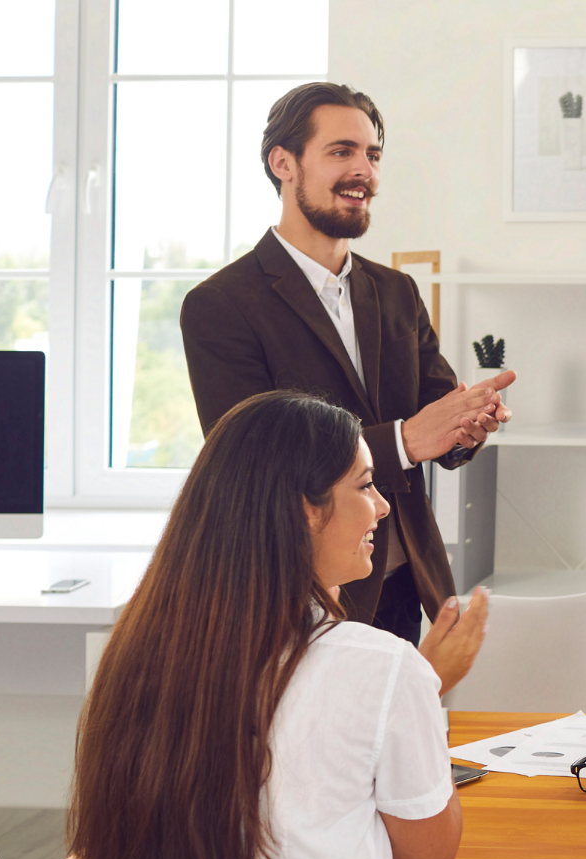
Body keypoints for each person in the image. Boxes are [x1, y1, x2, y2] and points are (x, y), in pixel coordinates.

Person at [68, 391, 493, 859]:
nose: (382, 507)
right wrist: (421, 690)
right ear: (304, 511)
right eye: (364, 486)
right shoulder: (376, 665)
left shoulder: (138, 654)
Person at [181, 81, 514, 646]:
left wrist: (466, 424)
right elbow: (251, 461)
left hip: (406, 582)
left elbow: (436, 417)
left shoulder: (397, 291)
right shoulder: (220, 305)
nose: (365, 171)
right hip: (301, 590)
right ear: (283, 163)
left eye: (373, 155)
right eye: (342, 152)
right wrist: (406, 441)